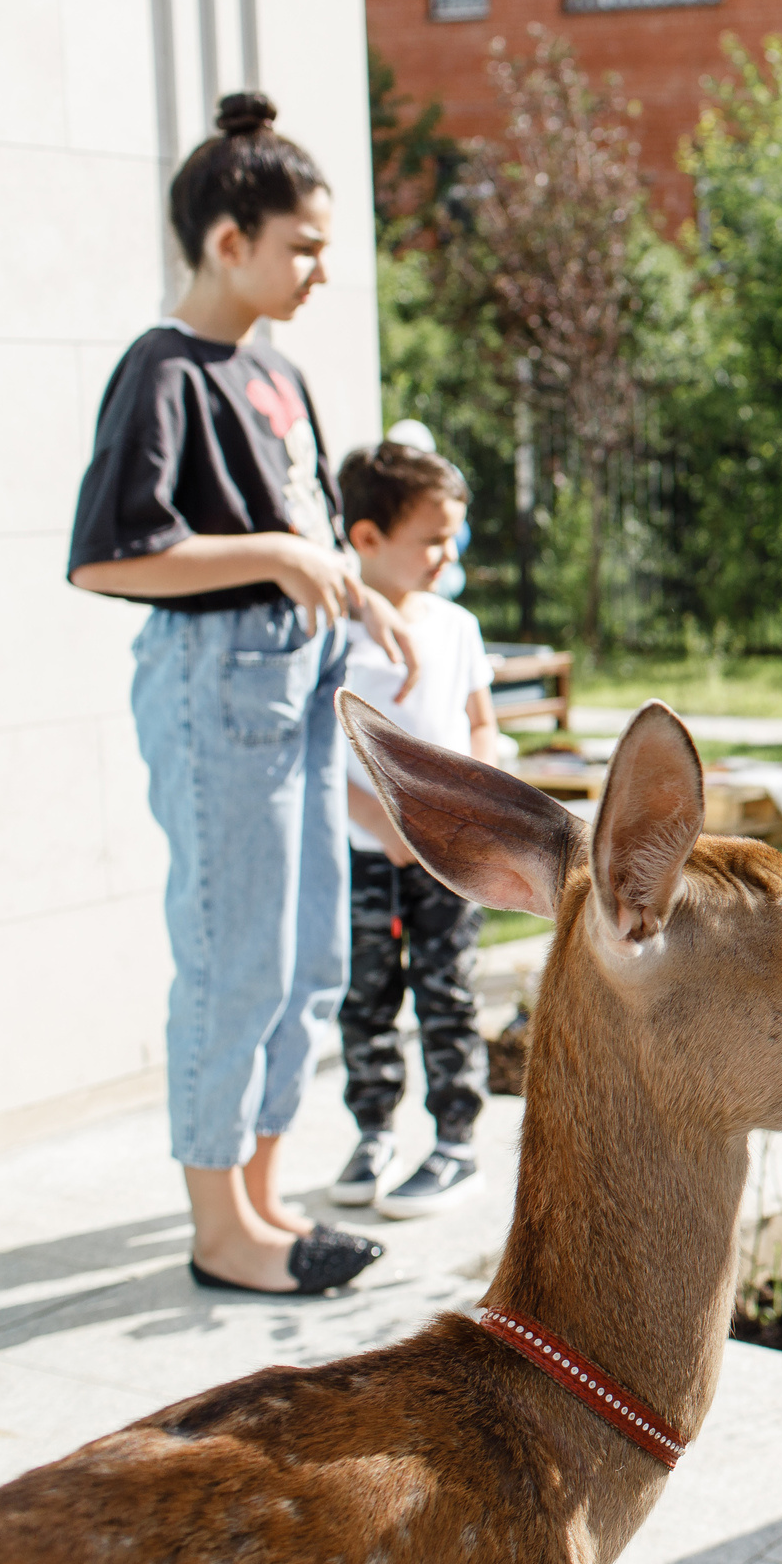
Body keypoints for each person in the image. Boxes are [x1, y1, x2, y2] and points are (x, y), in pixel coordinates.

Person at [68, 92, 418, 1297]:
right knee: (235, 960)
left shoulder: (272, 369)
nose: (321, 269)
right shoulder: (162, 373)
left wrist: (360, 598)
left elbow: (306, 525)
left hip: (299, 679)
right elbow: (110, 557)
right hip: (220, 690)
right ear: (231, 239)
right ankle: (220, 1230)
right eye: (303, 246)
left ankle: (261, 1200)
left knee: (312, 954)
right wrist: (276, 560)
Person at [328, 442, 498, 1218]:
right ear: (366, 538)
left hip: (448, 861)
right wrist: (382, 823)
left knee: (447, 990)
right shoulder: (333, 632)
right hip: (366, 860)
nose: (447, 553)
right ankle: (373, 1131)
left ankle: (456, 1141)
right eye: (432, 538)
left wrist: (476, 808)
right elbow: (324, 754)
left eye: (452, 535)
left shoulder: (456, 625)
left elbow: (478, 723)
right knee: (367, 995)